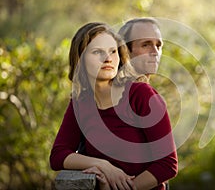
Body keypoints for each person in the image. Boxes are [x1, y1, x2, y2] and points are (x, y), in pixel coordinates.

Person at [50, 22, 178, 190]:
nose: (108, 58)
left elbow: (168, 165)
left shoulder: (141, 94)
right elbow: (58, 156)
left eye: (113, 51)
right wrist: (103, 165)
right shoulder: (80, 102)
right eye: (97, 52)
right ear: (80, 59)